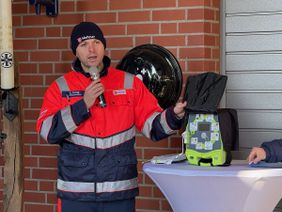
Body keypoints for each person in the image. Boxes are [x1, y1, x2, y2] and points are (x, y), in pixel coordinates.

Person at [36, 21, 187, 212]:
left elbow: (153, 126)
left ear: (104, 46)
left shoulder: (129, 83)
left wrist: (174, 116)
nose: (91, 49)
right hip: (76, 196)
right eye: (84, 45)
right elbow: (47, 131)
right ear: (75, 51)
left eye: (96, 42)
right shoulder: (60, 87)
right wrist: (83, 105)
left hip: (119, 192)